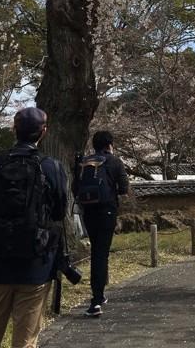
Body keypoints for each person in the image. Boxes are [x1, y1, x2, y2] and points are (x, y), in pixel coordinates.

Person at [0, 107, 67, 348]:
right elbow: (58, 211)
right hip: (34, 261)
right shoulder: (51, 167)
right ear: (43, 132)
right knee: (25, 340)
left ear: (14, 130)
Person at [72, 130, 129, 318]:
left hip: (89, 212)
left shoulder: (84, 162)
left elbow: (75, 188)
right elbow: (124, 188)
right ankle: (96, 300)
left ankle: (100, 295)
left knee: (97, 250)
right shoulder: (114, 161)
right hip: (107, 211)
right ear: (109, 144)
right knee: (100, 254)